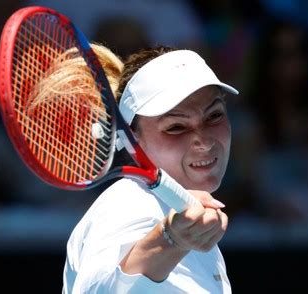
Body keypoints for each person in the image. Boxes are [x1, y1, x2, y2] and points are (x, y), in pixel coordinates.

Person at [61, 44, 238, 293]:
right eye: (176, 127)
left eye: (214, 116)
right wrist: (170, 240)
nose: (205, 140)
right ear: (133, 139)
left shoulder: (176, 216)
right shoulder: (130, 203)